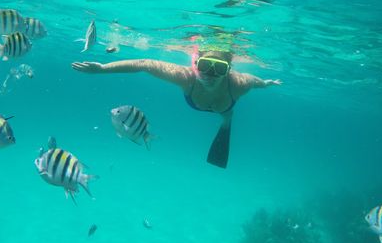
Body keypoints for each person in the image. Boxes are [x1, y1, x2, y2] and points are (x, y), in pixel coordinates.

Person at [71, 49, 281, 168]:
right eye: (205, 65)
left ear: (228, 70)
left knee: (226, 117)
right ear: (196, 63)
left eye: (219, 68)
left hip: (224, 106)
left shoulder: (238, 84)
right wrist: (102, 69)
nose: (210, 74)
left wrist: (267, 83)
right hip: (202, 99)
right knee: (224, 111)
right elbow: (144, 63)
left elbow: (256, 81)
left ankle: (226, 123)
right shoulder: (186, 78)